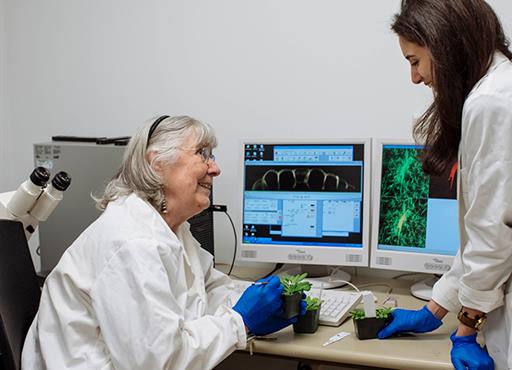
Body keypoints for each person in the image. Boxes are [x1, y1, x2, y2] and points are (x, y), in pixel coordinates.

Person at [377, 1, 512, 369]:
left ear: (442, 45)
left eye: (414, 61)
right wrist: (435, 307)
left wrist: (465, 330)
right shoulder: (507, 91)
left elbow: (490, 239)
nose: (415, 78)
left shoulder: (494, 103)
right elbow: (482, 236)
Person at [22, 115, 305, 370]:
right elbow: (158, 362)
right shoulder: (132, 242)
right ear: (156, 163)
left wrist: (261, 302)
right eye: (203, 154)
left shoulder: (171, 228)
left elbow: (208, 287)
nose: (215, 168)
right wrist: (240, 321)